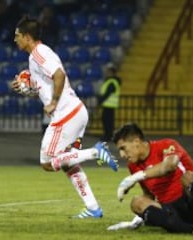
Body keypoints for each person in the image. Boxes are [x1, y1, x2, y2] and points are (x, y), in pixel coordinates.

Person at [11, 15, 118, 218]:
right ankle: (93, 208)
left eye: (17, 35)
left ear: (27, 37)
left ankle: (95, 153)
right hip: (75, 112)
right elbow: (43, 86)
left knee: (46, 162)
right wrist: (26, 88)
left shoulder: (38, 53)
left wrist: (53, 102)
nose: (14, 39)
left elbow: (59, 75)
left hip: (66, 114)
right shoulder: (36, 56)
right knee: (68, 163)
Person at [106, 123, 193, 236]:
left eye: (123, 148)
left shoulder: (166, 145)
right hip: (172, 212)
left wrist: (135, 177)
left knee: (188, 177)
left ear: (136, 141)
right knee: (136, 202)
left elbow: (169, 166)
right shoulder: (133, 165)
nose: (122, 155)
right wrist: (139, 217)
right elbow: (149, 195)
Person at [98, 63, 121, 142]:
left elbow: (108, 93)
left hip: (109, 104)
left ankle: (108, 136)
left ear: (111, 72)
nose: (106, 73)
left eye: (108, 71)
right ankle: (108, 135)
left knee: (107, 121)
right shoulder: (111, 81)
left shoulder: (112, 82)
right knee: (107, 120)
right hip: (108, 104)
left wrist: (100, 101)